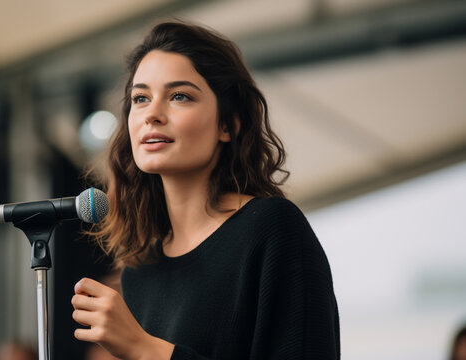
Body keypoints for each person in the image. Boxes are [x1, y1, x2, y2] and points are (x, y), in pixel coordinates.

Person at [71, 20, 340, 360]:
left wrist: (146, 349)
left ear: (228, 125)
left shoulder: (272, 229)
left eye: (179, 96)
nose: (152, 113)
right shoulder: (140, 270)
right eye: (140, 98)